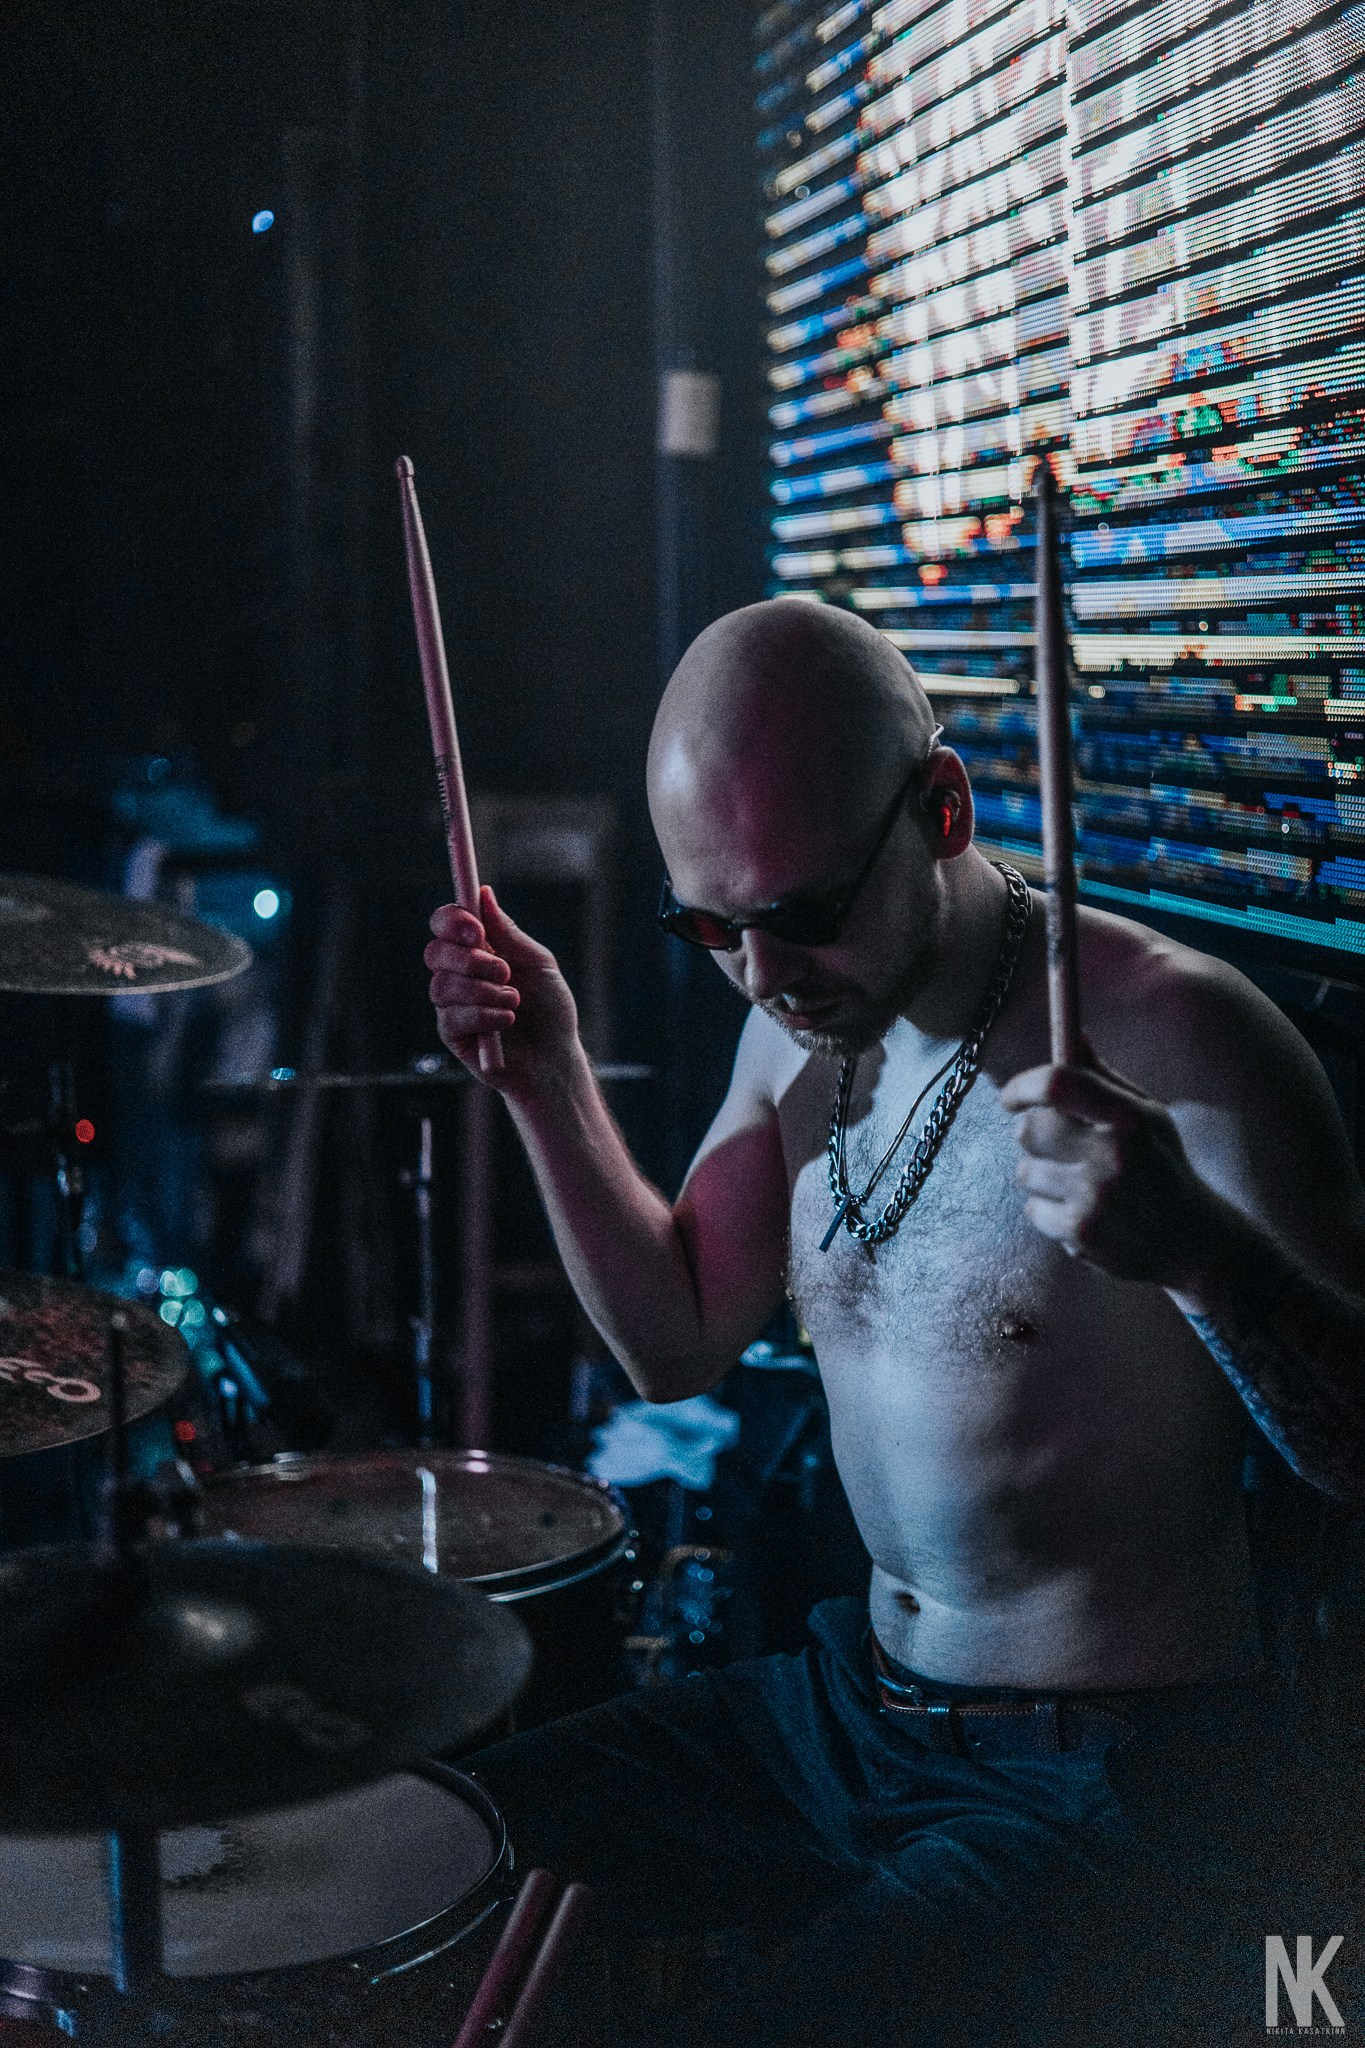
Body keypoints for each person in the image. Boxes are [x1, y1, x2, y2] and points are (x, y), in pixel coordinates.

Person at [424, 600, 1365, 2045]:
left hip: (1100, 1776)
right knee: (432, 1864)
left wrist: (1200, 1259)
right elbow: (677, 1339)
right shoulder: (793, 1022)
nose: (760, 974)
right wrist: (545, 1079)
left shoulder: (1180, 1033)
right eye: (713, 927)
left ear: (942, 810)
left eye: (800, 916)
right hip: (846, 1715)